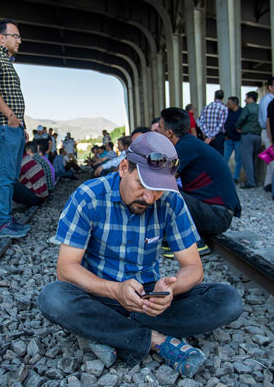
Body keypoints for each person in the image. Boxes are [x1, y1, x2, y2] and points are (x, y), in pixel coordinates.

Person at [38, 132, 242, 376]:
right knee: (53, 297)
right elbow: (66, 268)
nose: (149, 197)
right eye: (143, 185)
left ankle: (104, 331)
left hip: (147, 300)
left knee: (228, 300)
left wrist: (169, 291)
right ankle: (156, 340)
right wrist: (115, 290)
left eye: (157, 189)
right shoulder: (89, 196)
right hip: (98, 295)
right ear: (124, 168)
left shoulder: (171, 201)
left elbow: (193, 268)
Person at [158, 108, 241, 253]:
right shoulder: (189, 143)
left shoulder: (184, 147)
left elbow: (161, 179)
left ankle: (195, 241)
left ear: (169, 133)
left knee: (163, 190)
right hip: (214, 212)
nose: (156, 131)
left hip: (217, 216)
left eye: (159, 127)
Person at [0, 18, 30, 238]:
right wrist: (10, 116)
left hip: (13, 126)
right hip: (3, 126)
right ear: (2, 38)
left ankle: (6, 219)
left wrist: (22, 125)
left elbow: (13, 97)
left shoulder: (8, 63)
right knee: (5, 176)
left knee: (10, 176)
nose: (19, 40)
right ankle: (1, 223)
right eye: (15, 36)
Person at [236, 91, 261, 189]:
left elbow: (241, 119)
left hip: (248, 136)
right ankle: (255, 179)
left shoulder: (247, 108)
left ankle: (250, 182)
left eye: (246, 98)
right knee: (255, 160)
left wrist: (238, 127)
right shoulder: (260, 108)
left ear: (250, 98)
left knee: (247, 160)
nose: (245, 100)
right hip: (258, 136)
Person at [258, 77, 274, 191]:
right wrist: (272, 139)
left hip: (271, 132)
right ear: (270, 87)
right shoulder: (267, 100)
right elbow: (268, 120)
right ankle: (270, 185)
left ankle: (269, 184)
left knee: (273, 161)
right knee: (272, 161)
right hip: (268, 132)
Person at [197, 90, 228, 156]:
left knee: (208, 156)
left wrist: (208, 135)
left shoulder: (205, 108)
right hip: (218, 136)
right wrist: (212, 135)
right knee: (218, 156)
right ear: (222, 98)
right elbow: (221, 124)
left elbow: (201, 123)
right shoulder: (224, 108)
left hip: (207, 136)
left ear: (214, 96)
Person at [223, 97, 243, 183]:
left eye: (229, 103)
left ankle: (235, 177)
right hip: (228, 139)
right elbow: (223, 123)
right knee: (224, 159)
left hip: (238, 139)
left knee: (238, 159)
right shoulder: (227, 112)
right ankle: (224, 176)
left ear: (234, 104)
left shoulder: (242, 112)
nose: (227, 105)